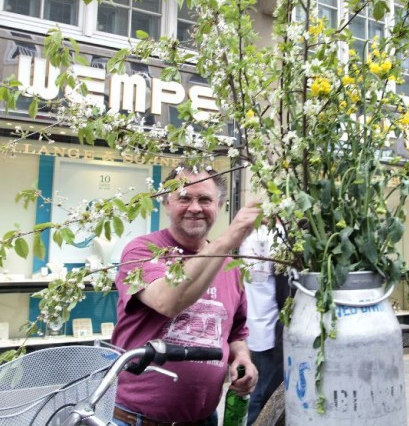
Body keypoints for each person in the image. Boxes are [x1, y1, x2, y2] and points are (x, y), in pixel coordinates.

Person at [110, 166, 260, 425]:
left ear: (220, 205)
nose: (195, 207)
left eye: (205, 199)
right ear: (166, 203)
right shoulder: (143, 251)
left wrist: (242, 358)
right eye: (184, 198)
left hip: (204, 419)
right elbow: (167, 301)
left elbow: (235, 333)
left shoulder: (230, 266)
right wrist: (227, 240)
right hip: (137, 420)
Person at [240, 224, 288, 425]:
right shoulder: (273, 237)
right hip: (271, 331)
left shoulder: (252, 237)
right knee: (265, 397)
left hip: (257, 327)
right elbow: (282, 291)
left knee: (258, 393)